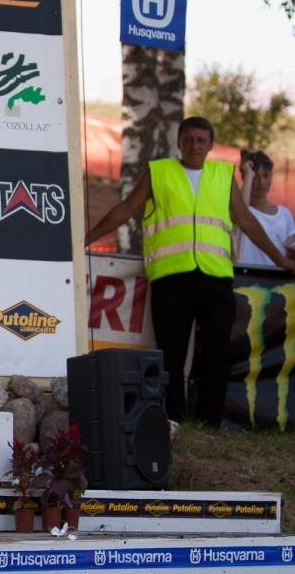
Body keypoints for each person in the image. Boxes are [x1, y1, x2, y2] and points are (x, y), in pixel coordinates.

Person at [85, 116, 295, 428]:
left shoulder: (223, 175)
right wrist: (84, 240)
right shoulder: (159, 171)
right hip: (172, 277)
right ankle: (173, 419)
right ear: (179, 142)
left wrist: (280, 260)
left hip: (216, 278)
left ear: (210, 145)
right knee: (171, 353)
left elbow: (247, 222)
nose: (194, 145)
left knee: (217, 352)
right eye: (188, 139)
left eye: (201, 140)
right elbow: (126, 209)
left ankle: (209, 422)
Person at [233, 151, 295, 266]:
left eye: (266, 176)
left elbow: (290, 250)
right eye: (255, 177)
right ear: (245, 178)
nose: (261, 182)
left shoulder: (284, 214)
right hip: (243, 274)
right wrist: (249, 174)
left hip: (275, 275)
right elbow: (242, 213)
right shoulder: (236, 210)